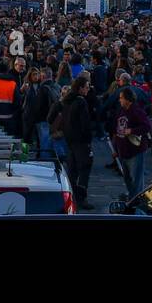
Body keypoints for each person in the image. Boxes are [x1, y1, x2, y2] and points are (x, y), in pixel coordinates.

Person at [110, 87, 152, 200]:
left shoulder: (137, 111)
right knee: (127, 178)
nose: (120, 100)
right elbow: (116, 130)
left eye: (121, 98)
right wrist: (115, 149)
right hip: (123, 151)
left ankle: (137, 200)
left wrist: (132, 131)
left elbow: (147, 126)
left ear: (128, 99)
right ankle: (132, 197)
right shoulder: (120, 111)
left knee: (136, 179)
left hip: (135, 151)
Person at [59, 77, 95, 210]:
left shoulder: (67, 101)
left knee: (72, 171)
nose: (88, 88)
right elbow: (85, 124)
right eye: (86, 86)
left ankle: (71, 197)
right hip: (80, 142)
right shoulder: (80, 102)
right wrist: (88, 140)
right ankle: (81, 198)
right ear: (80, 88)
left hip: (70, 142)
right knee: (84, 171)